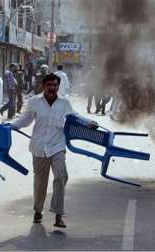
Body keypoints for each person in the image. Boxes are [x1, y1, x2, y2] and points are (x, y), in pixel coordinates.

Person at [10, 73, 98, 228]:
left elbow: (75, 117)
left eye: (55, 85)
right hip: (38, 148)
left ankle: (58, 214)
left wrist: (89, 123)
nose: (52, 88)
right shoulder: (34, 102)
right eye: (49, 85)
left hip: (57, 146)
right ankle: (38, 210)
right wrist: (10, 126)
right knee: (40, 183)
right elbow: (25, 120)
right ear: (43, 86)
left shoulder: (64, 103)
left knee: (61, 176)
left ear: (58, 86)